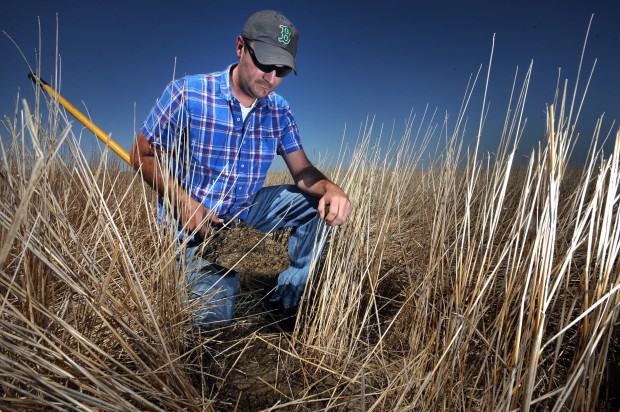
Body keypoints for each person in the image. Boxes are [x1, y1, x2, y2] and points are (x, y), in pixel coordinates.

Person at [129, 10, 352, 328]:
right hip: (196, 229)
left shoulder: (279, 110)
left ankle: (286, 298)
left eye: (282, 70)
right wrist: (182, 201)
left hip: (247, 212)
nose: (271, 78)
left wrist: (330, 189)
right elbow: (141, 154)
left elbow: (303, 172)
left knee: (314, 202)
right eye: (265, 63)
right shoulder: (188, 94)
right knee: (210, 331)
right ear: (240, 47)